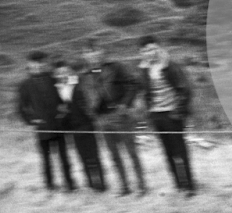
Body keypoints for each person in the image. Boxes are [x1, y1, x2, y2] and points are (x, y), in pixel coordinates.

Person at [82, 39, 146, 196]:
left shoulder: (116, 67)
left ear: (101, 51)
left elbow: (134, 83)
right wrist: (92, 113)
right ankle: (124, 187)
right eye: (88, 52)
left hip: (120, 115)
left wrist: (125, 104)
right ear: (84, 55)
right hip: (102, 119)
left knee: (131, 152)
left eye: (95, 50)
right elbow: (84, 97)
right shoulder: (85, 76)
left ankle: (141, 186)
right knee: (114, 155)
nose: (92, 55)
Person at [138, 35, 195, 194]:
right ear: (141, 53)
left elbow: (186, 89)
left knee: (180, 151)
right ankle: (178, 184)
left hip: (173, 114)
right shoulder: (143, 70)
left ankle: (189, 186)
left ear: (158, 49)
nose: (150, 53)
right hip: (157, 116)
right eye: (146, 50)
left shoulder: (171, 66)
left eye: (152, 49)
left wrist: (179, 111)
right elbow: (146, 93)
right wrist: (149, 112)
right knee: (167, 152)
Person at [18, 51, 76, 192]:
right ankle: (50, 186)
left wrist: (64, 111)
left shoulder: (53, 79)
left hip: (58, 126)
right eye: (35, 62)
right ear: (29, 64)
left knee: (64, 158)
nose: (38, 65)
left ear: (44, 63)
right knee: (46, 159)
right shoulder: (25, 85)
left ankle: (70, 184)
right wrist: (32, 120)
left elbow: (65, 94)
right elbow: (21, 107)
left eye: (41, 62)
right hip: (42, 129)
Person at [53, 59, 106, 191]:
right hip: (74, 129)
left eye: (64, 72)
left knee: (94, 156)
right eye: (59, 73)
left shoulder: (78, 83)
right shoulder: (57, 89)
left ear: (69, 72)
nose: (62, 75)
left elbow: (90, 101)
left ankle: (101, 183)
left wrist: (91, 116)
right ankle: (90, 183)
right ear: (55, 75)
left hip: (87, 126)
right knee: (82, 157)